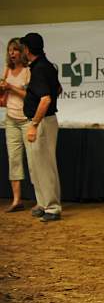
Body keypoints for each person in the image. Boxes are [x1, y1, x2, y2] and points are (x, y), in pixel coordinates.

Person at [20, 33, 62, 222]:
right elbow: (59, 89)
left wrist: (34, 125)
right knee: (37, 165)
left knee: (44, 166)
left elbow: (45, 99)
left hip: (42, 122)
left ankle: (52, 208)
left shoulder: (40, 69)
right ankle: (43, 203)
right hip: (44, 120)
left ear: (28, 49)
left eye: (23, 48)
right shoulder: (47, 66)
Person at [1, 38, 31, 212]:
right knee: (14, 159)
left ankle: (40, 200)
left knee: (34, 161)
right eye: (9, 50)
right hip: (11, 119)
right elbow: (3, 96)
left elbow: (29, 95)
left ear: (22, 52)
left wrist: (11, 87)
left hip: (27, 120)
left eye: (15, 50)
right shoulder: (7, 70)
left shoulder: (28, 71)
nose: (12, 53)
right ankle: (17, 200)